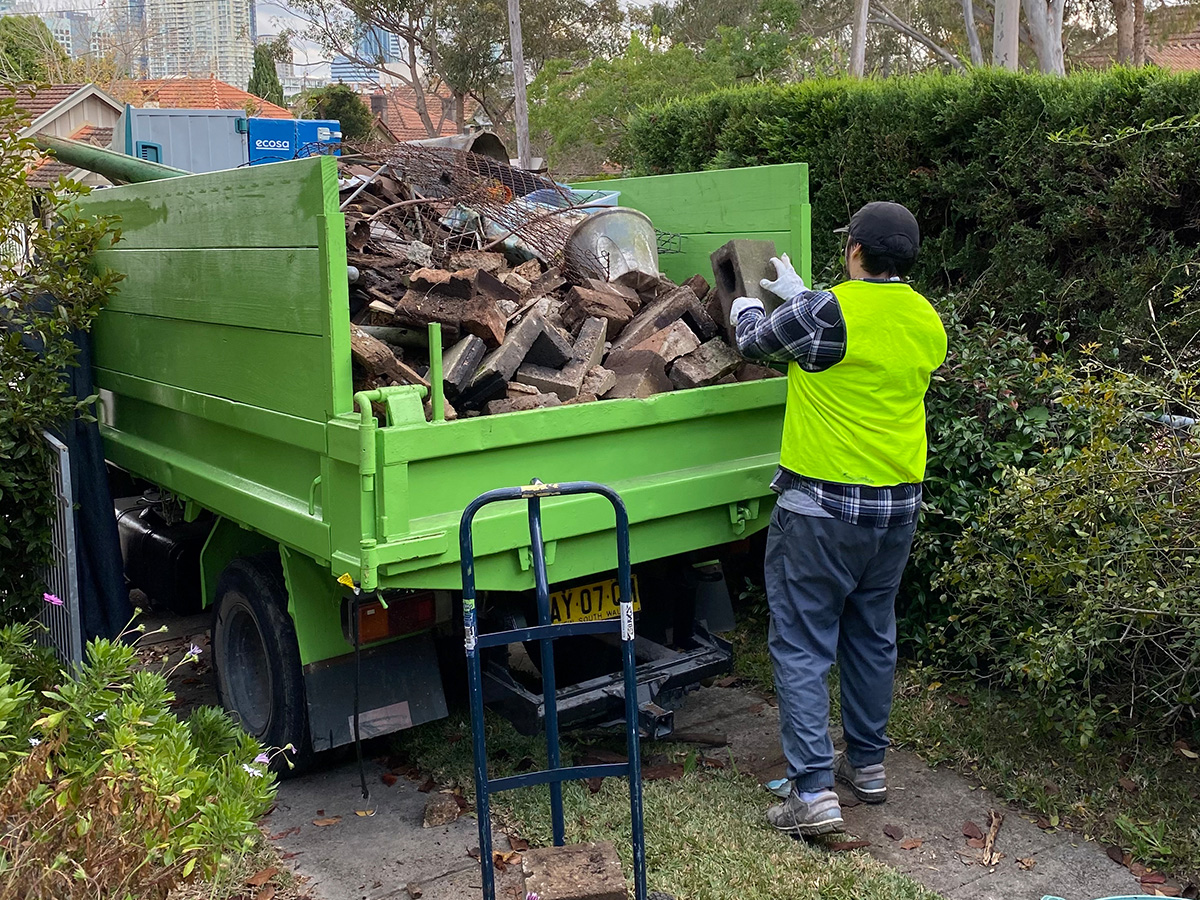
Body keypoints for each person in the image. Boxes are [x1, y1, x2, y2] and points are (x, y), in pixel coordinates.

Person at [730, 201, 948, 836]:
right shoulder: (926, 319)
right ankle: (870, 768)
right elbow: (856, 344)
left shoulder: (827, 312)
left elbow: (755, 339)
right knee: (871, 635)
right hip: (895, 510)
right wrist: (801, 297)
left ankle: (813, 794)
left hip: (821, 509)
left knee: (801, 645)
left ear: (854, 250)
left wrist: (750, 297)